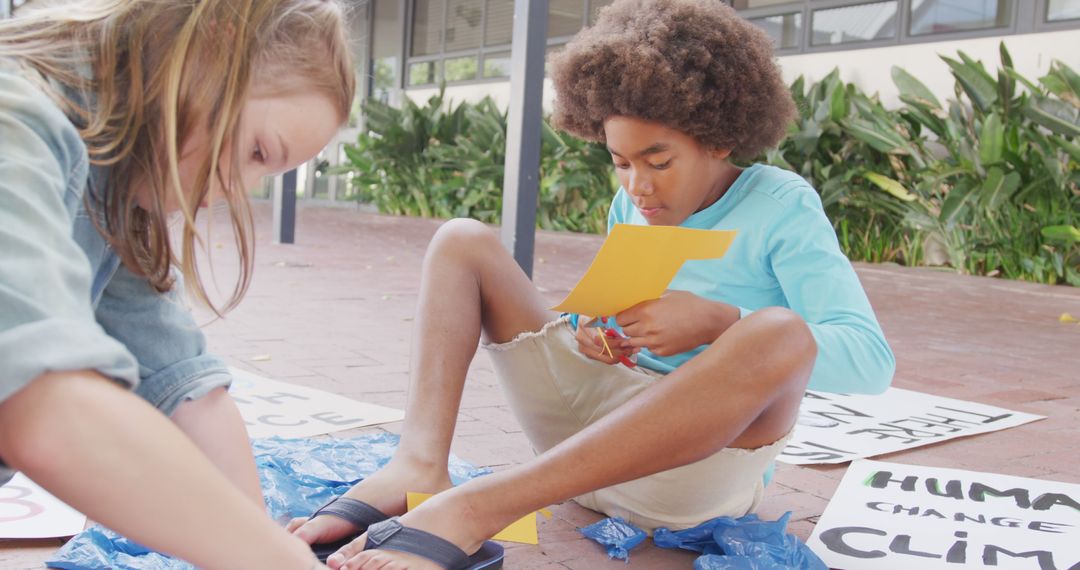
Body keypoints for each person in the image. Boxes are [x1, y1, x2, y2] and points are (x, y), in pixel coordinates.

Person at [290, 0, 895, 568]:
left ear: (719, 138)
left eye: (659, 162)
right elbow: (600, 311)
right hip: (585, 446)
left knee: (780, 334)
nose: (639, 187)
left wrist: (721, 323)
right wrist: (596, 334)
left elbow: (870, 364)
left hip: (688, 474)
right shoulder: (631, 205)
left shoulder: (781, 205)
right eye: (620, 162)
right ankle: (417, 466)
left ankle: (480, 507)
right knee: (461, 240)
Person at [0, 0, 355, 567]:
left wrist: (267, 540)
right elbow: (45, 412)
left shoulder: (112, 178)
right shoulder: (14, 118)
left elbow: (187, 389)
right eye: (256, 153)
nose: (229, 194)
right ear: (210, 52)